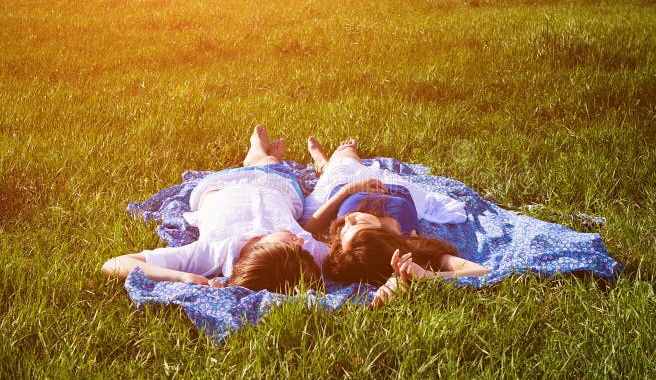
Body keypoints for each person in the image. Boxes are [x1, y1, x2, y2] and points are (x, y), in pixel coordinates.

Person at [102, 126, 374, 294]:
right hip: (279, 183)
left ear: (261, 246)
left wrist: (182, 276)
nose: (301, 239)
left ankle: (256, 154)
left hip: (223, 183)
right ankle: (268, 157)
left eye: (294, 241)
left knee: (261, 159)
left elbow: (114, 263)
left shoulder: (212, 252)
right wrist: (345, 192)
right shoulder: (299, 252)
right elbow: (310, 229)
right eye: (300, 243)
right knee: (269, 164)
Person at [302, 137, 489, 305]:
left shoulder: (348, 243)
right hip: (397, 185)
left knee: (344, 157)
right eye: (357, 224)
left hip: (345, 184)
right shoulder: (411, 243)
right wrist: (426, 276)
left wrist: (349, 189)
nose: (348, 219)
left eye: (343, 230)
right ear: (380, 235)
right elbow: (482, 272)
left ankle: (323, 163)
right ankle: (324, 165)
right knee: (349, 154)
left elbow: (307, 229)